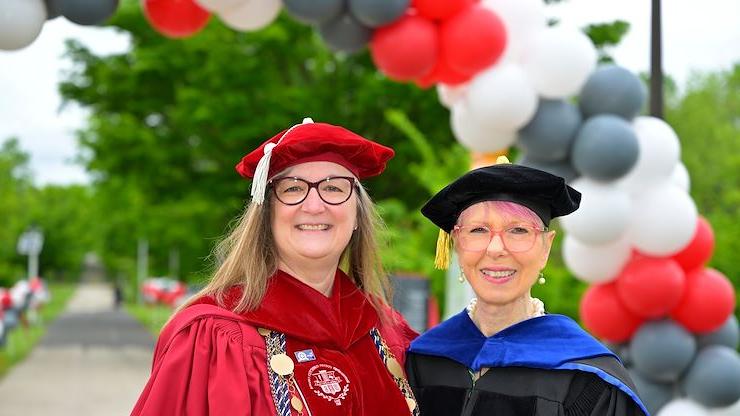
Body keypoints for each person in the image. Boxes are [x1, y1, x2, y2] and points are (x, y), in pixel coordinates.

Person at [132, 118, 419, 416]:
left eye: (334, 188)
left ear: (357, 215)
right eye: (293, 188)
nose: (314, 205)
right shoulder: (215, 338)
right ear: (267, 214)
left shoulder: (387, 332)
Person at [405, 158, 648, 416]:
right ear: (456, 243)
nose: (496, 249)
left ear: (546, 247)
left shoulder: (586, 377)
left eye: (518, 230)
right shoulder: (423, 360)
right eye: (478, 230)